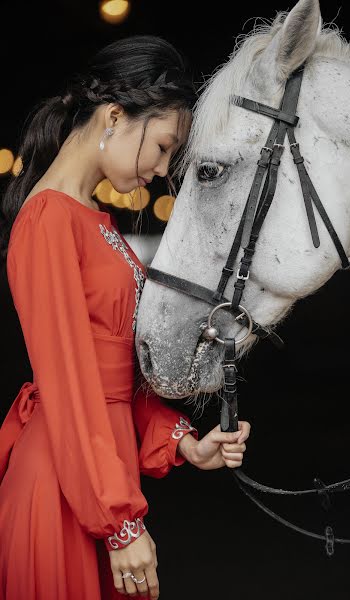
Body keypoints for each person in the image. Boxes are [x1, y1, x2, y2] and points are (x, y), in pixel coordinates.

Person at [0, 35, 251, 600]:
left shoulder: (96, 216)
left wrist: (182, 440)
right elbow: (70, 385)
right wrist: (120, 523)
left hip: (100, 477)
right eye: (162, 146)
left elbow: (113, 370)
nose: (163, 169)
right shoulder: (47, 219)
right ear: (115, 116)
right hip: (64, 489)